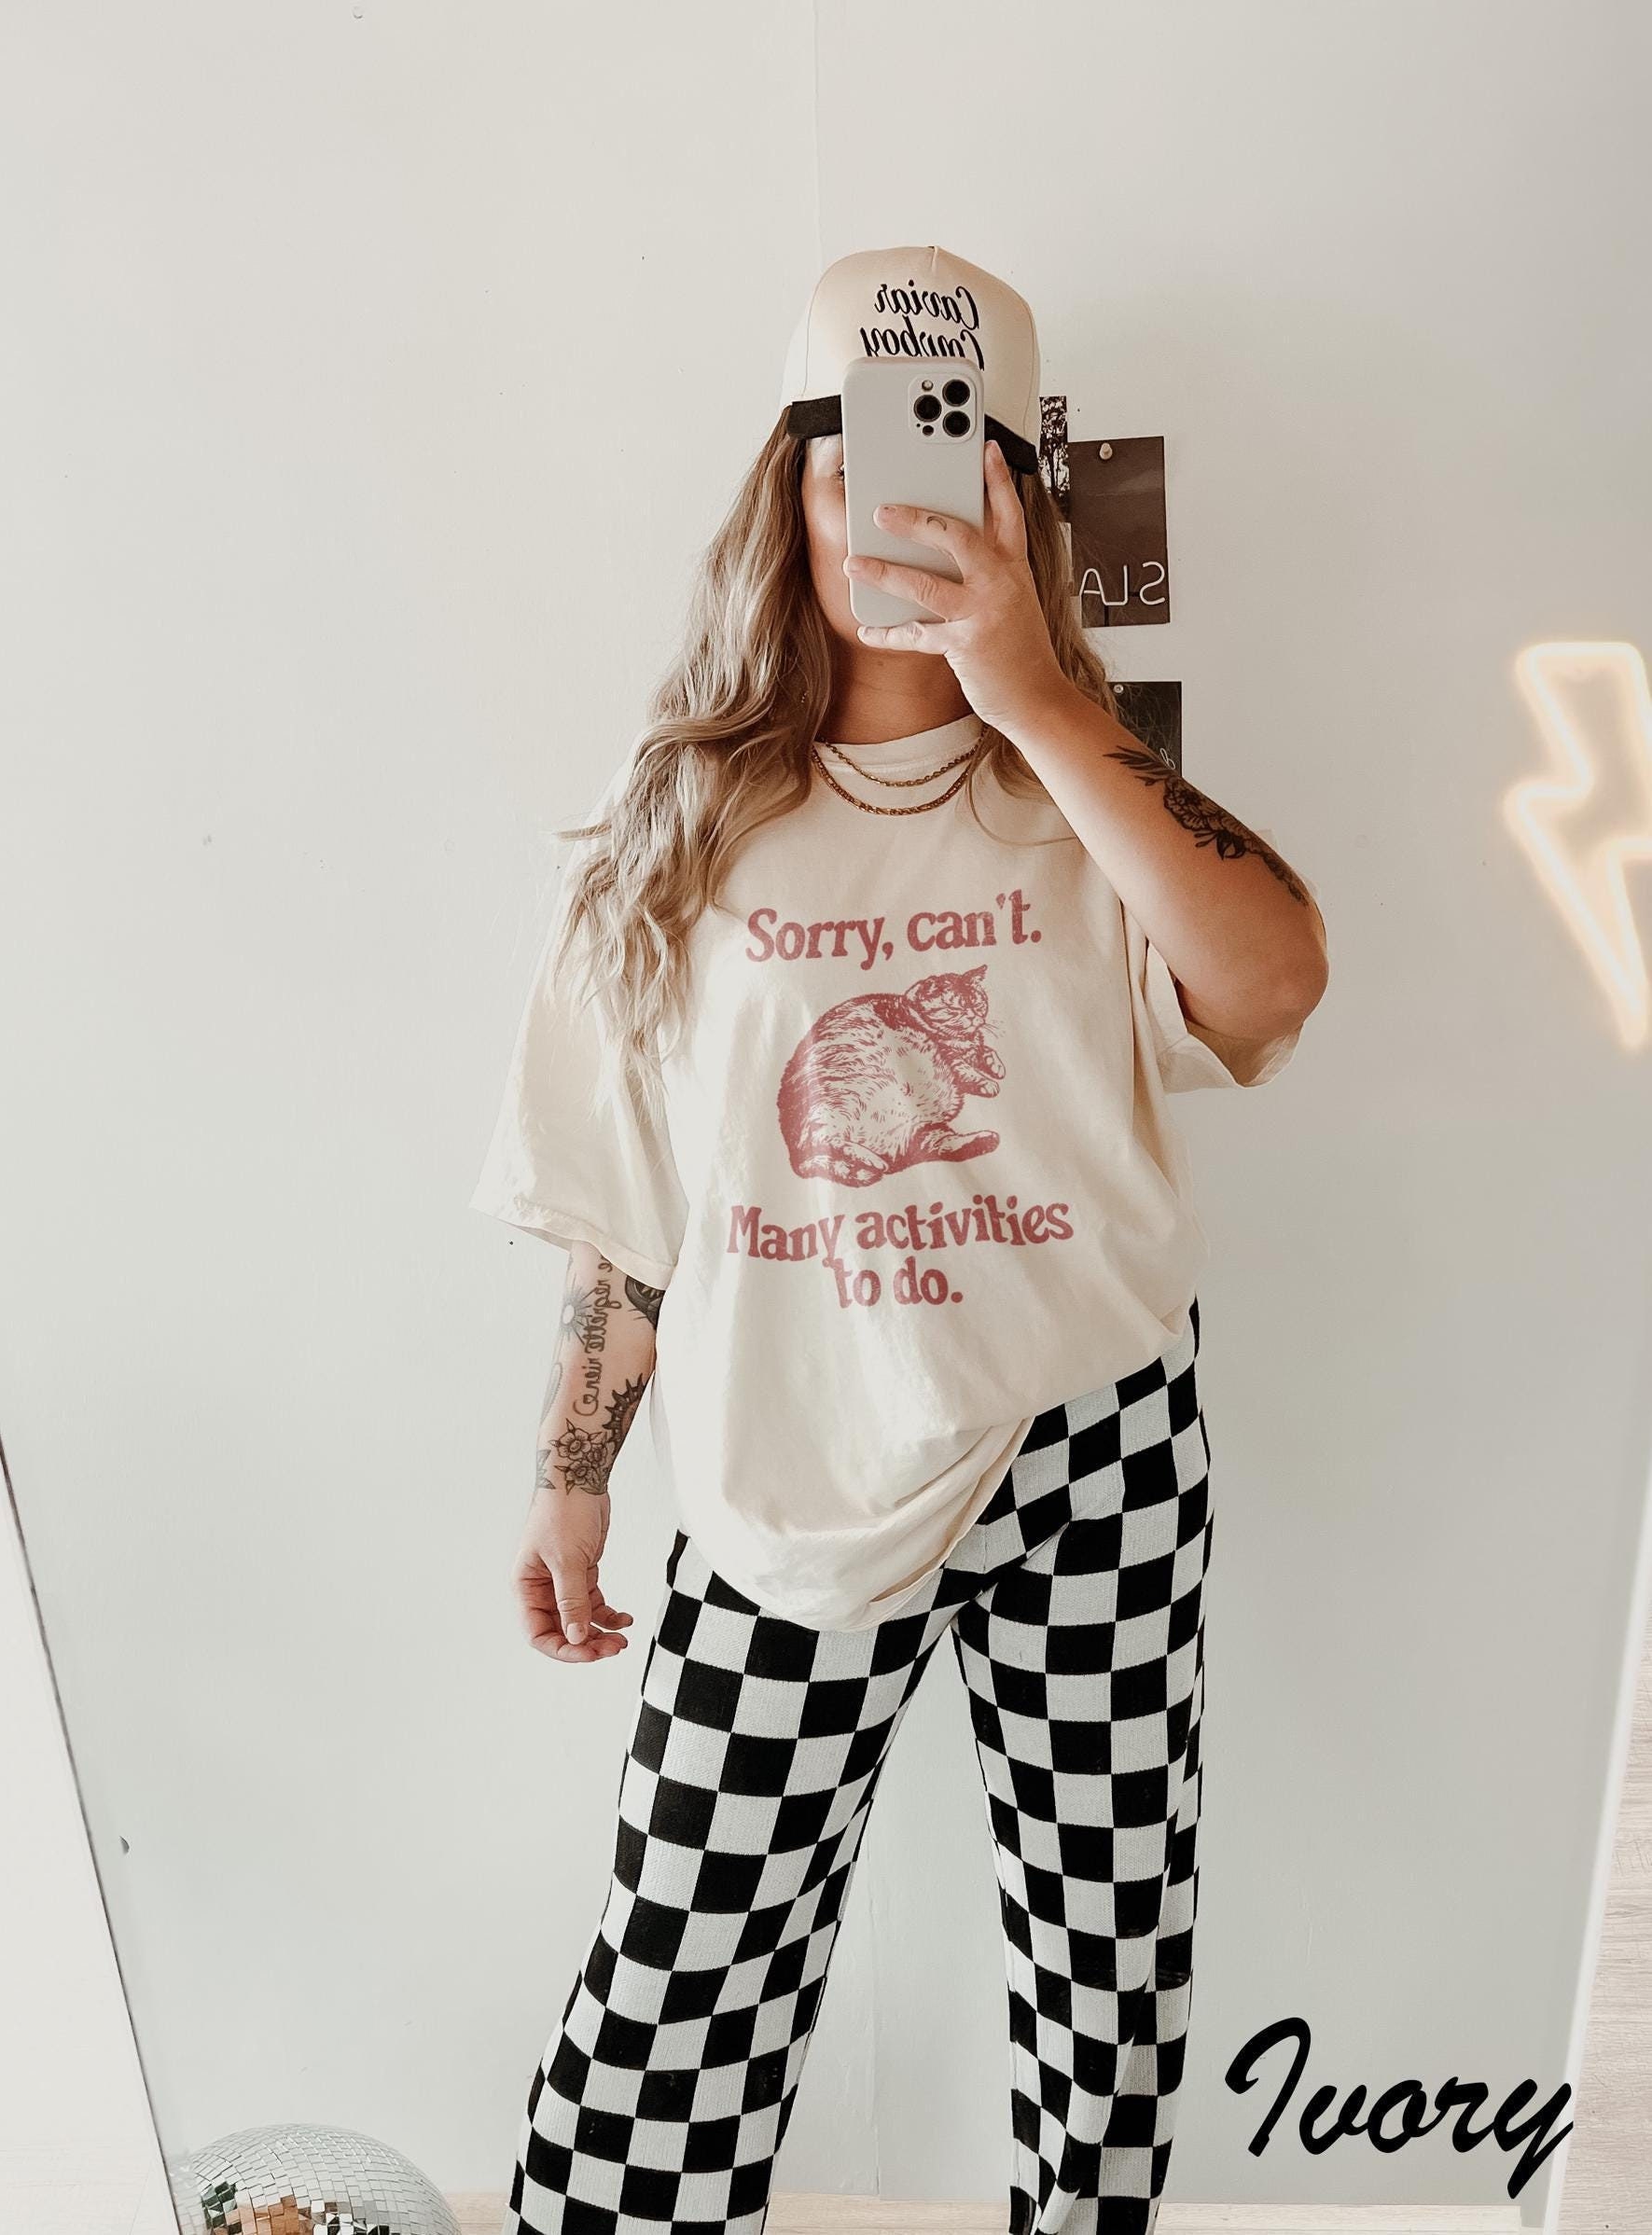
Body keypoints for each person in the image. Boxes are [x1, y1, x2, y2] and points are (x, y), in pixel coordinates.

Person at [470, 244, 1327, 2235]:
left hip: (1096, 1443)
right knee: (679, 1984)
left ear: (1021, 507)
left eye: (957, 468)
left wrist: (1030, 690)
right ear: (787, 488)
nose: (898, 512)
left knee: (1110, 1973)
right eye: (855, 459)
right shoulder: (678, 816)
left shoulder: (1090, 795)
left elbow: (1276, 983)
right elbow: (629, 1196)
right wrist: (572, 1470)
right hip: (792, 1464)